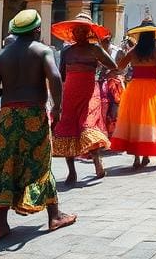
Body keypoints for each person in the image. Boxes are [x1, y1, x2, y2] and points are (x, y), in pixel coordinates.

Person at [0, 9, 76, 239]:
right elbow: (55, 78)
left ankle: (1, 224)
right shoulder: (42, 50)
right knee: (41, 162)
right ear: (37, 30)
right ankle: (54, 216)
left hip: (8, 115)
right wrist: (57, 107)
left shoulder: (3, 55)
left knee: (6, 165)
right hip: (33, 114)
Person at [50, 11, 115, 182]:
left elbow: (113, 66)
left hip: (89, 92)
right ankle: (72, 171)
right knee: (68, 129)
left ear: (89, 32)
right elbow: (61, 74)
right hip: (70, 93)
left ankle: (96, 161)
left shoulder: (95, 49)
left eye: (83, 30)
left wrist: (101, 75)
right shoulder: (67, 52)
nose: (79, 33)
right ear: (72, 32)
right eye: (76, 30)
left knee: (87, 126)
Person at [110, 19, 156, 169]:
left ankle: (139, 158)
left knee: (136, 121)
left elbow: (120, 66)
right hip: (153, 89)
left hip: (135, 88)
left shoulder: (133, 51)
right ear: (153, 36)